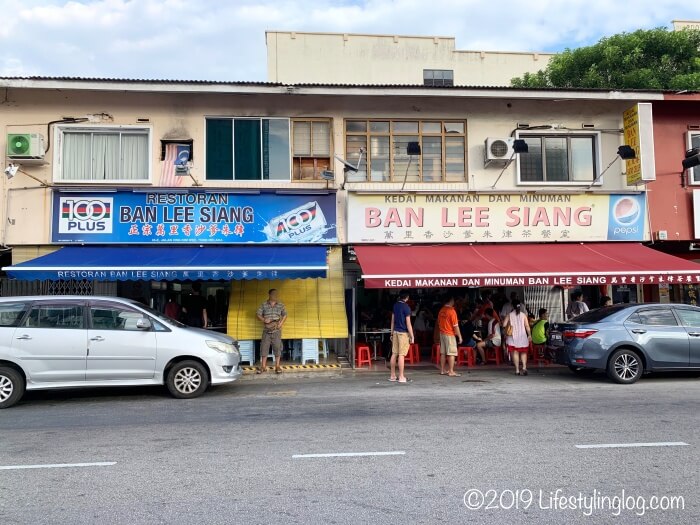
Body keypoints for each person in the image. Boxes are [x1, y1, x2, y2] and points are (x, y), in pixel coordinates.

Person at [256, 289, 287, 374]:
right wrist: (263, 319)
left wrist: (281, 323)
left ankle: (277, 367)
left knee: (277, 348)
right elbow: (258, 314)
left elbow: (285, 315)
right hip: (266, 330)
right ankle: (263, 367)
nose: (275, 295)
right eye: (273, 294)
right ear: (269, 294)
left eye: (276, 294)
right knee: (264, 348)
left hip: (277, 330)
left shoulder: (280, 305)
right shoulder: (263, 305)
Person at [389, 290, 414, 384]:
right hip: (403, 333)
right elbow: (408, 324)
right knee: (401, 354)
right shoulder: (406, 307)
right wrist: (412, 336)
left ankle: (392, 376)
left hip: (395, 332)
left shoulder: (395, 305)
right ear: (407, 297)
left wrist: (391, 334)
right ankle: (401, 376)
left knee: (394, 353)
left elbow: (392, 321)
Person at [503, 300, 531, 376]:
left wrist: (508, 323)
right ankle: (524, 368)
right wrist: (529, 335)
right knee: (523, 352)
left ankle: (517, 370)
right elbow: (527, 326)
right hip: (523, 336)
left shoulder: (509, 315)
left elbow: (504, 325)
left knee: (515, 352)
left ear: (512, 306)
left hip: (512, 337)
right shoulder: (524, 315)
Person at [437, 296, 463, 377]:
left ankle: (442, 370)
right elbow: (456, 326)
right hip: (450, 334)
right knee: (452, 353)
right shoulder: (452, 311)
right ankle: (451, 371)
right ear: (451, 301)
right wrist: (459, 336)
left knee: (443, 353)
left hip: (442, 334)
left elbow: (438, 322)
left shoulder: (441, 310)